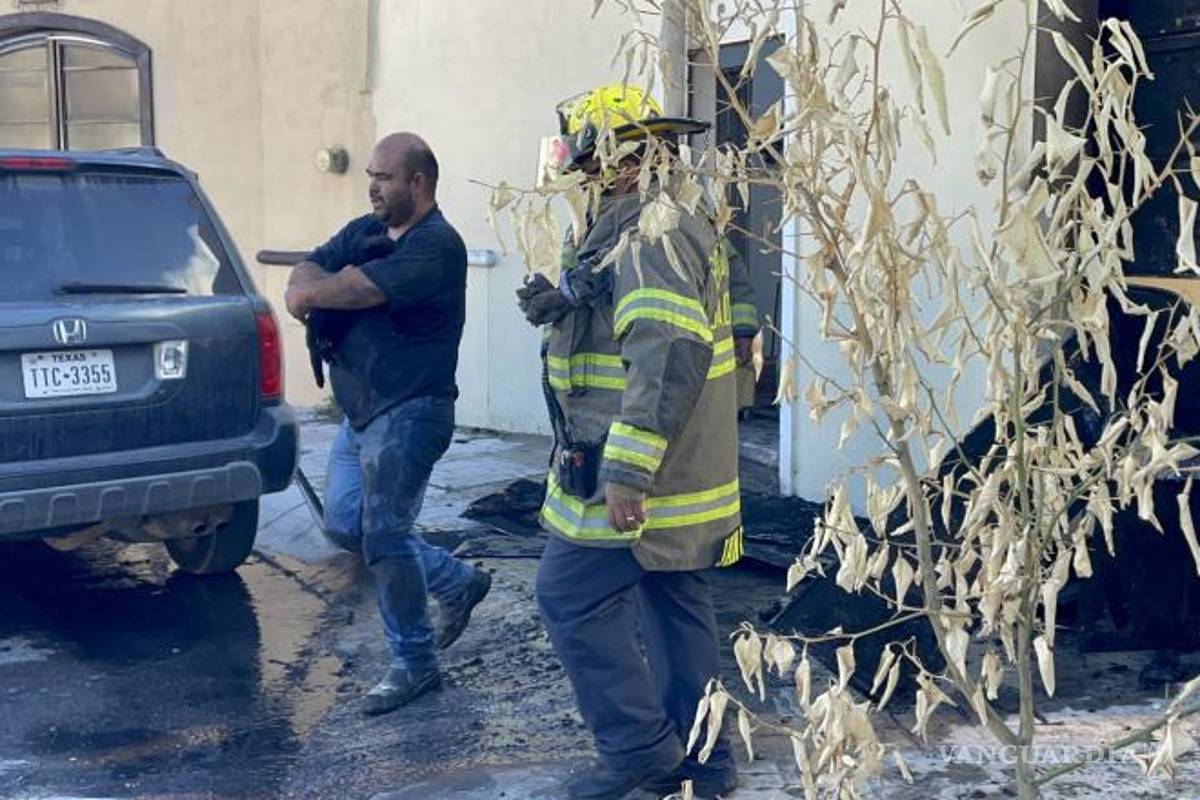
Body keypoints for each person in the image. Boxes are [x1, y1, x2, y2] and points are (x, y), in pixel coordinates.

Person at [516, 86, 743, 800]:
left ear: (622, 161)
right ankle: (704, 766)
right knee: (675, 605)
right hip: (679, 466)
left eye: (589, 161)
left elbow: (666, 352)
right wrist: (571, 298)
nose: (581, 175)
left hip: (642, 469)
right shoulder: (644, 224)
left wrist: (627, 472)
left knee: (568, 597)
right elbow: (638, 321)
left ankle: (641, 754)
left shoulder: (653, 231)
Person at [284, 132, 491, 716]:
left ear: (418, 185)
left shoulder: (437, 246)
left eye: (384, 177)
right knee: (347, 524)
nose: (372, 186)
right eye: (370, 175)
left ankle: (414, 664)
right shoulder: (366, 230)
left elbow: (356, 289)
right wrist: (304, 283)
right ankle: (454, 581)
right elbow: (315, 261)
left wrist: (307, 295)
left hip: (411, 410)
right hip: (361, 411)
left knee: (382, 532)